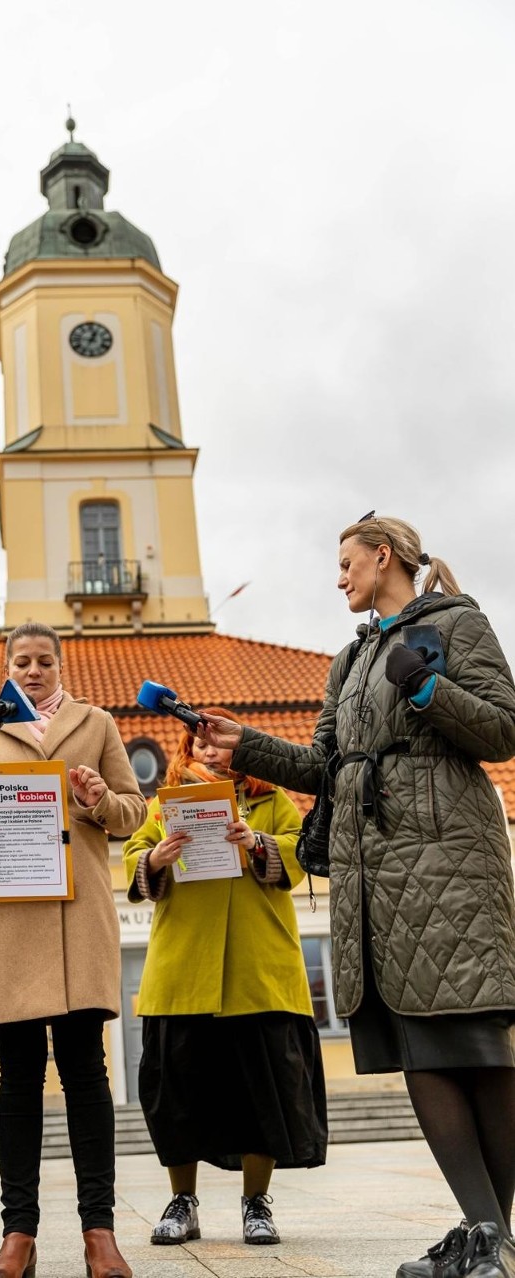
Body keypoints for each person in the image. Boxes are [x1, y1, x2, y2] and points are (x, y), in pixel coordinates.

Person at [199, 514, 515, 1278]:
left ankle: (487, 1235)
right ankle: (486, 1237)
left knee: (473, 1043)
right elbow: (327, 766)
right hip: (374, 868)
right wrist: (247, 745)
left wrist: (430, 686)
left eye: (346, 562)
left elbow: (503, 730)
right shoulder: (350, 660)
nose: (339, 577)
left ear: (384, 557)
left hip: (448, 858)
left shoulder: (457, 622)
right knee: (419, 1049)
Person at [0, 622, 146, 1278]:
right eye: (21, 662)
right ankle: (19, 1236)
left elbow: (134, 812)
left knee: (87, 1074)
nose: (32, 671)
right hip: (7, 920)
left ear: (60, 666)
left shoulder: (98, 723)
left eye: (43, 662)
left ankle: (100, 1233)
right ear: (7, 667)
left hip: (75, 919)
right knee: (19, 1078)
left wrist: (97, 800)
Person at [122, 710, 327, 1248]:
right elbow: (132, 856)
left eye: (220, 746)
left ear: (241, 752)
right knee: (177, 1097)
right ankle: (182, 1201)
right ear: (185, 754)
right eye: (198, 745)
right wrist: (155, 858)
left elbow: (300, 856)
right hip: (182, 971)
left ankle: (256, 1202)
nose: (210, 754)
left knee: (262, 1096)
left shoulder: (274, 803)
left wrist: (257, 843)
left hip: (257, 970)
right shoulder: (160, 810)